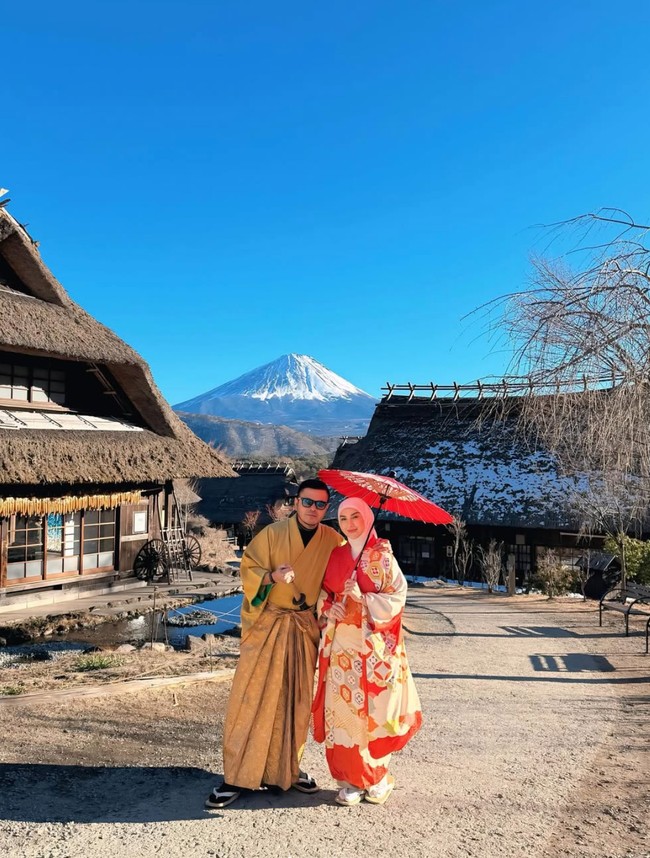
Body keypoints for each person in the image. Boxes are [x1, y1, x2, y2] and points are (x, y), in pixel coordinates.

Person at [206, 478, 342, 809]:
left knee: (297, 701)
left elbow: (337, 582)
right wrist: (272, 577)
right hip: (269, 624)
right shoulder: (272, 534)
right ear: (296, 503)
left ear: (327, 508)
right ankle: (237, 775)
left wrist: (329, 609)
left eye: (320, 504)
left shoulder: (332, 541)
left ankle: (287, 769)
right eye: (307, 502)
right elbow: (249, 569)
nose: (312, 509)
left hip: (304, 628)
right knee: (251, 696)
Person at [312, 497, 422, 806]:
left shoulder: (382, 556)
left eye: (355, 517)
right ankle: (349, 779)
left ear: (367, 518)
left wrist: (364, 598)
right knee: (344, 714)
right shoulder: (336, 555)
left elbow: (398, 596)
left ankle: (377, 777)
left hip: (373, 649)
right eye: (343, 518)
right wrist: (329, 608)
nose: (349, 524)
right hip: (341, 649)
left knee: (374, 712)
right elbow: (325, 593)